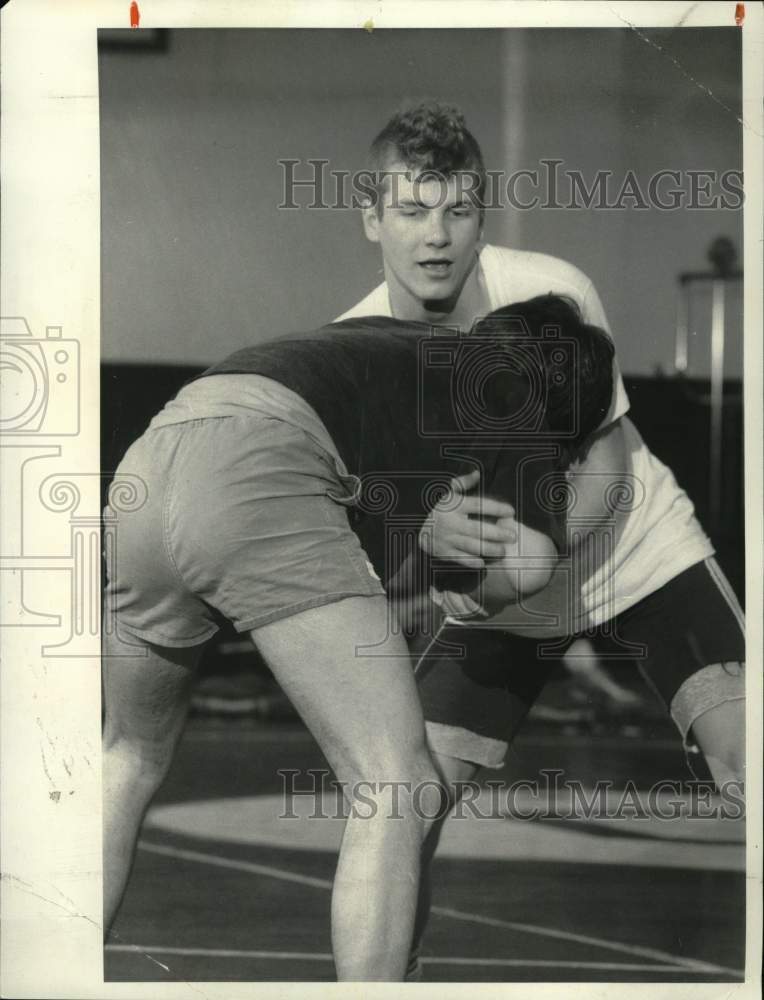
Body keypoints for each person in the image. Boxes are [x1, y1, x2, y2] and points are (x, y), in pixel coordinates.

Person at [335, 101, 745, 979]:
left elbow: (604, 466)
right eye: (412, 211)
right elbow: (374, 528)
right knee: (402, 806)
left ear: (485, 213)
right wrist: (423, 527)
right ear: (372, 218)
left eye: (460, 209)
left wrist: (534, 556)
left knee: (747, 751)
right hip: (491, 602)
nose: (437, 237)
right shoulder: (354, 355)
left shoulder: (551, 289)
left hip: (634, 552)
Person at [102, 295, 614, 981]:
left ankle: (50, 971)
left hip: (152, 459)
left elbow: (336, 446)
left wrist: (422, 517)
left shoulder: (397, 346)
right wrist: (463, 586)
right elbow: (531, 562)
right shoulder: (518, 394)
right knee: (397, 783)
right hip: (259, 473)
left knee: (126, 757)